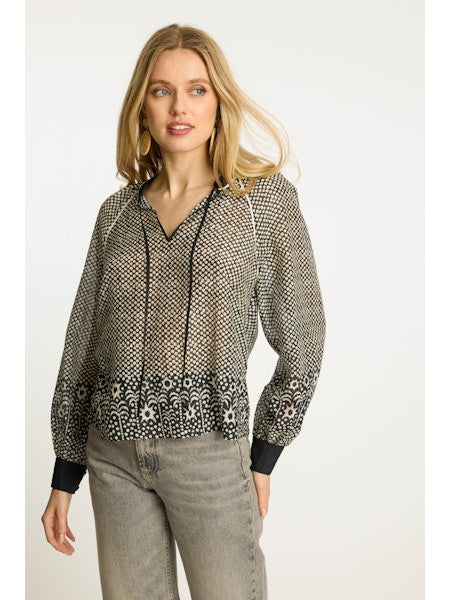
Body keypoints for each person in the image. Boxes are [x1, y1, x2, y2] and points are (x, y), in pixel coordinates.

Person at [41, 23, 326, 600]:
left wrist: (264, 454)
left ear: (219, 101)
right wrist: (65, 473)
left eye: (197, 89)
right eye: (161, 90)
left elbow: (302, 336)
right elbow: (83, 346)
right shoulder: (116, 215)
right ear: (141, 105)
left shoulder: (262, 201)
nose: (179, 107)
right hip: (113, 458)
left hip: (211, 457)